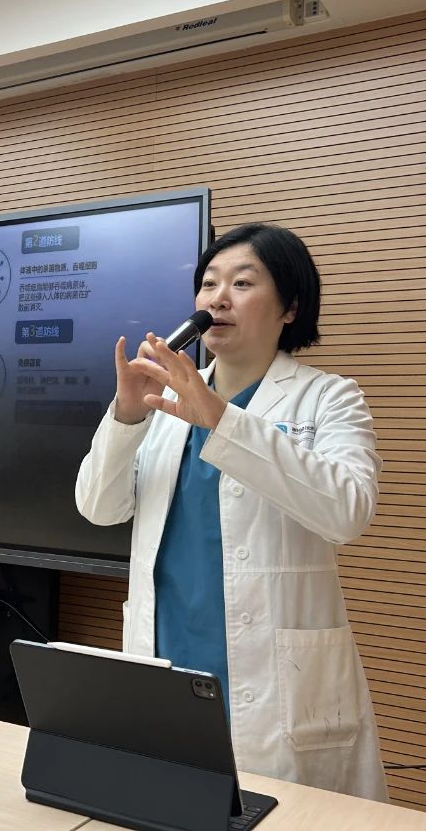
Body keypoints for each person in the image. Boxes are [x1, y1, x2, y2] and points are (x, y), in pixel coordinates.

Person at [75, 223, 388, 801]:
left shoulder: (329, 397)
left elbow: (347, 510)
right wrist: (126, 416)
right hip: (167, 661)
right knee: (167, 805)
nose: (217, 298)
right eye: (209, 283)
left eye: (242, 283)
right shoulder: (161, 401)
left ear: (290, 308)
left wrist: (221, 419)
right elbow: (99, 506)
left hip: (276, 690)